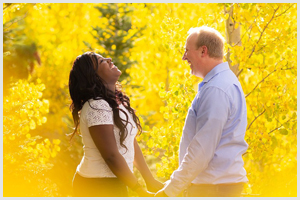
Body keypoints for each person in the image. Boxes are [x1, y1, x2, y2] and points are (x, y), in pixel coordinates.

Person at [155, 26, 248, 197]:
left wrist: (170, 191)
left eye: (187, 51)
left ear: (203, 51)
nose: (184, 57)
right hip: (215, 187)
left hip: (214, 190)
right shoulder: (220, 84)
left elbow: (202, 148)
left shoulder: (216, 89)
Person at [68, 51, 163, 197]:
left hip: (113, 182)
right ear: (94, 76)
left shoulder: (115, 101)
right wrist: (140, 190)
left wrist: (149, 180)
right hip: (96, 185)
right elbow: (111, 156)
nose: (109, 59)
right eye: (102, 62)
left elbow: (129, 141)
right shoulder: (97, 106)